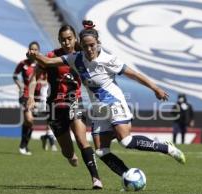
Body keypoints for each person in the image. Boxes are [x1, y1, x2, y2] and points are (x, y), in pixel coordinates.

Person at [27, 20, 186, 183]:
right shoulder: (76, 58)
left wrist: (155, 89)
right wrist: (35, 55)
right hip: (98, 109)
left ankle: (166, 148)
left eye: (92, 45)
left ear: (98, 43)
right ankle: (128, 176)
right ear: (80, 45)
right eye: (86, 46)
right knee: (101, 151)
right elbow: (48, 62)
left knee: (126, 140)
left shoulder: (109, 59)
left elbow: (134, 75)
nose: (89, 49)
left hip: (115, 103)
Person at [28, 24, 102, 189]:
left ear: (75, 38)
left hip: (75, 102)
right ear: (59, 40)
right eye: (63, 40)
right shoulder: (51, 56)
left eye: (69, 39)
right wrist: (31, 97)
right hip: (55, 106)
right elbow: (34, 78)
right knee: (67, 151)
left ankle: (96, 179)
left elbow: (99, 54)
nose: (66, 42)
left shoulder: (82, 56)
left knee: (83, 141)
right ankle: (70, 155)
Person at [13, 41, 56, 155]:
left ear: (39, 51)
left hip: (38, 97)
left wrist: (41, 82)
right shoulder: (23, 64)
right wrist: (20, 85)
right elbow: (15, 76)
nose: (33, 51)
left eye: (36, 49)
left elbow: (47, 79)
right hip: (26, 95)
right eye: (32, 49)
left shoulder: (43, 64)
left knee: (31, 122)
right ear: (28, 50)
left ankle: (25, 145)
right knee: (29, 119)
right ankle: (23, 145)